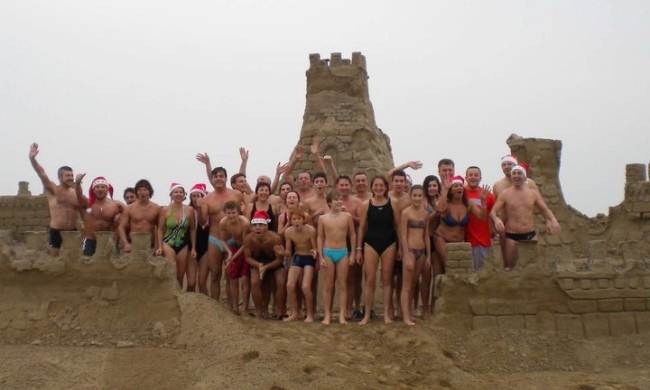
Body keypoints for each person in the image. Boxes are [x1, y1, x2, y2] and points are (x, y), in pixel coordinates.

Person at [491, 165, 561, 270]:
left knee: (532, 266)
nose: (516, 176)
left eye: (519, 173)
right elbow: (493, 212)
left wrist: (552, 220)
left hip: (530, 234)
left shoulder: (533, 193)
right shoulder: (505, 194)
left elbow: (545, 210)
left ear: (524, 177)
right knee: (511, 266)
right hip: (512, 235)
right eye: (514, 174)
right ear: (511, 177)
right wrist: (496, 220)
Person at [357, 176, 400, 325]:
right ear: (372, 187)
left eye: (381, 185)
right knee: (370, 280)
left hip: (389, 243)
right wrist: (358, 249)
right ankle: (367, 314)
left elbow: (398, 227)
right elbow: (362, 228)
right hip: (370, 243)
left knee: (387, 280)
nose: (379, 188)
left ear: (386, 187)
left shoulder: (393, 203)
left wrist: (400, 247)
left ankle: (386, 314)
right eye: (376, 185)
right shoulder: (365, 204)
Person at [197, 163, 242, 301]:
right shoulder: (207, 199)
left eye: (221, 176)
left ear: (226, 178)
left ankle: (232, 307)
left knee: (231, 275)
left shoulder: (236, 194)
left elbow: (243, 214)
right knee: (215, 274)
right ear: (212, 179)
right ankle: (216, 306)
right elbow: (203, 222)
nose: (218, 178)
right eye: (215, 176)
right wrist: (200, 208)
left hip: (232, 239)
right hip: (214, 239)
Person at [28, 143, 80, 255]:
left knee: (74, 259)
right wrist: (32, 159)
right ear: (60, 177)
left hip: (72, 231)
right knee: (54, 259)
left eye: (72, 175)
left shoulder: (75, 192)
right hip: (57, 231)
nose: (71, 178)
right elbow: (41, 173)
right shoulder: (53, 189)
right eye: (67, 175)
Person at [434, 176, 489, 275]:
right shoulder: (446, 203)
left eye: (460, 186)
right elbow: (439, 209)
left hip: (459, 241)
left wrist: (483, 203)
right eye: (455, 186)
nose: (459, 188)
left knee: (460, 270)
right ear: (451, 191)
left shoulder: (468, 204)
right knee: (450, 265)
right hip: (442, 238)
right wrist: (445, 189)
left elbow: (482, 217)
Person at [318, 190, 356, 325]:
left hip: (343, 252)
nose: (339, 201)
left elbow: (352, 235)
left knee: (342, 284)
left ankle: (341, 315)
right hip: (328, 252)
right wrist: (321, 256)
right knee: (328, 285)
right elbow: (320, 237)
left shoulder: (347, 217)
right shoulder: (323, 218)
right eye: (335, 199)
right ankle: (327, 315)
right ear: (329, 203)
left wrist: (353, 254)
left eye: (340, 199)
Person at [244, 210, 285, 319]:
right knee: (254, 282)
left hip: (273, 262)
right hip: (257, 262)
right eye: (255, 225)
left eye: (261, 225)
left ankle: (278, 310)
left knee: (280, 282)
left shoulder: (275, 238)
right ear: (251, 227)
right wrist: (259, 266)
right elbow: (247, 257)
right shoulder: (249, 239)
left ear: (267, 226)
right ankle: (259, 311)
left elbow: (280, 260)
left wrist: (266, 267)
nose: (257, 227)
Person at [399, 185, 431, 325]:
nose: (417, 198)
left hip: (422, 252)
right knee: (406, 285)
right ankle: (405, 317)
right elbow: (403, 235)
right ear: (410, 196)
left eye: (420, 195)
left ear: (423, 197)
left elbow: (426, 236)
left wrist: (428, 255)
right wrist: (406, 254)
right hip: (410, 251)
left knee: (413, 284)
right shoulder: (406, 213)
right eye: (415, 195)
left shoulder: (425, 214)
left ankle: (410, 313)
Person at [155, 183, 197, 288]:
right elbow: (160, 229)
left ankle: (179, 297)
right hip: (168, 243)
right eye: (176, 192)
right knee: (172, 272)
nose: (178, 194)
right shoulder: (165, 210)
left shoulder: (189, 210)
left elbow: (192, 229)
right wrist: (160, 246)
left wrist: (193, 248)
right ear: (171, 195)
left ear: (184, 195)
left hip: (183, 244)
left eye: (180, 192)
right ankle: (171, 296)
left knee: (180, 274)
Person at [74, 175, 123, 257]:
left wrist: (119, 218)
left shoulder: (116, 205)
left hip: (108, 241)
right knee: (88, 265)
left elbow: (129, 212)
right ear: (93, 190)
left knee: (109, 266)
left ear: (107, 189)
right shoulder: (87, 203)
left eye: (103, 187)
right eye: (97, 187)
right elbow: (79, 195)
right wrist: (78, 183)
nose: (100, 189)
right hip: (90, 240)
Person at [336, 176, 363, 320]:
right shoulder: (334, 202)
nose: (344, 187)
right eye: (342, 185)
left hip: (353, 241)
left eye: (347, 184)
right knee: (341, 278)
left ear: (350, 186)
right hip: (337, 242)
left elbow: (362, 223)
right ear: (337, 187)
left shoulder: (357, 202)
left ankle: (351, 308)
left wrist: (348, 216)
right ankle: (342, 309)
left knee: (353, 277)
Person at [283, 207, 317, 322]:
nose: (296, 221)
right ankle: (295, 313)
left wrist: (315, 253)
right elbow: (288, 252)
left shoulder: (310, 230)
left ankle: (310, 314)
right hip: (297, 256)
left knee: (305, 287)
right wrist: (281, 252)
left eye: (298, 219)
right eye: (294, 219)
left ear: (303, 220)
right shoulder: (288, 232)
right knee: (290, 285)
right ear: (291, 221)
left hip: (309, 257)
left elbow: (315, 247)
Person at [219, 201, 251, 314]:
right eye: (228, 213)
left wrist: (232, 257)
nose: (231, 215)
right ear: (225, 213)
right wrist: (229, 253)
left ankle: (245, 307)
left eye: (233, 212)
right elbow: (222, 240)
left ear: (238, 212)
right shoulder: (223, 222)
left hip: (246, 246)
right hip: (233, 244)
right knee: (232, 278)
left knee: (245, 278)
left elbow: (245, 244)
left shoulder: (245, 223)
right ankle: (235, 307)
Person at [465, 166, 496, 270]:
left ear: (480, 177)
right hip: (465, 241)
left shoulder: (488, 195)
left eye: (476, 175)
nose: (473, 177)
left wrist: (494, 231)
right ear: (466, 177)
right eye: (470, 175)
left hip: (483, 240)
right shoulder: (461, 193)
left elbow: (493, 215)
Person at [118, 179, 160, 253]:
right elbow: (121, 227)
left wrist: (157, 247)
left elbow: (159, 229)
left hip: (150, 245)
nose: (142, 192)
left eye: (145, 190)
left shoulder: (156, 208)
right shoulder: (129, 208)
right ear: (136, 192)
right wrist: (126, 244)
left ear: (149, 191)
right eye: (139, 190)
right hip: (134, 244)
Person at [188, 183, 209, 293]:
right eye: (194, 196)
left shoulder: (207, 210)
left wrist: (201, 208)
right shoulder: (187, 210)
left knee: (202, 282)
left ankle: (206, 307)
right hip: (191, 247)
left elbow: (202, 222)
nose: (196, 198)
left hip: (205, 247)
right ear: (190, 197)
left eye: (198, 196)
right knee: (191, 283)